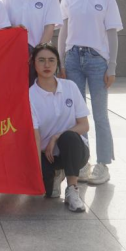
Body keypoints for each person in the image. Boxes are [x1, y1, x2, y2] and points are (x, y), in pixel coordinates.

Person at [58, 0, 122, 185]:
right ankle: (83, 161)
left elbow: (112, 34)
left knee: (100, 113)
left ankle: (103, 164)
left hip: (97, 61)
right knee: (77, 113)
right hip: (73, 59)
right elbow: (63, 32)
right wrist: (61, 61)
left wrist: (111, 66)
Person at [29, 43, 89, 212]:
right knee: (49, 194)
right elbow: (35, 137)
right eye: (41, 60)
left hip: (74, 150)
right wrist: (37, 173)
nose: (47, 65)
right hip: (46, 156)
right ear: (33, 64)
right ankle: (55, 174)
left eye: (51, 60)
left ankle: (72, 188)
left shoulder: (70, 86)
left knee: (68, 136)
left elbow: (84, 125)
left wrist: (56, 136)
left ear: (57, 63)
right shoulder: (29, 96)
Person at [2, 0, 63, 84]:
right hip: (14, 58)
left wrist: (37, 54)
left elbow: (49, 28)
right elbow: (4, 27)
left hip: (39, 59)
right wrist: (14, 29)